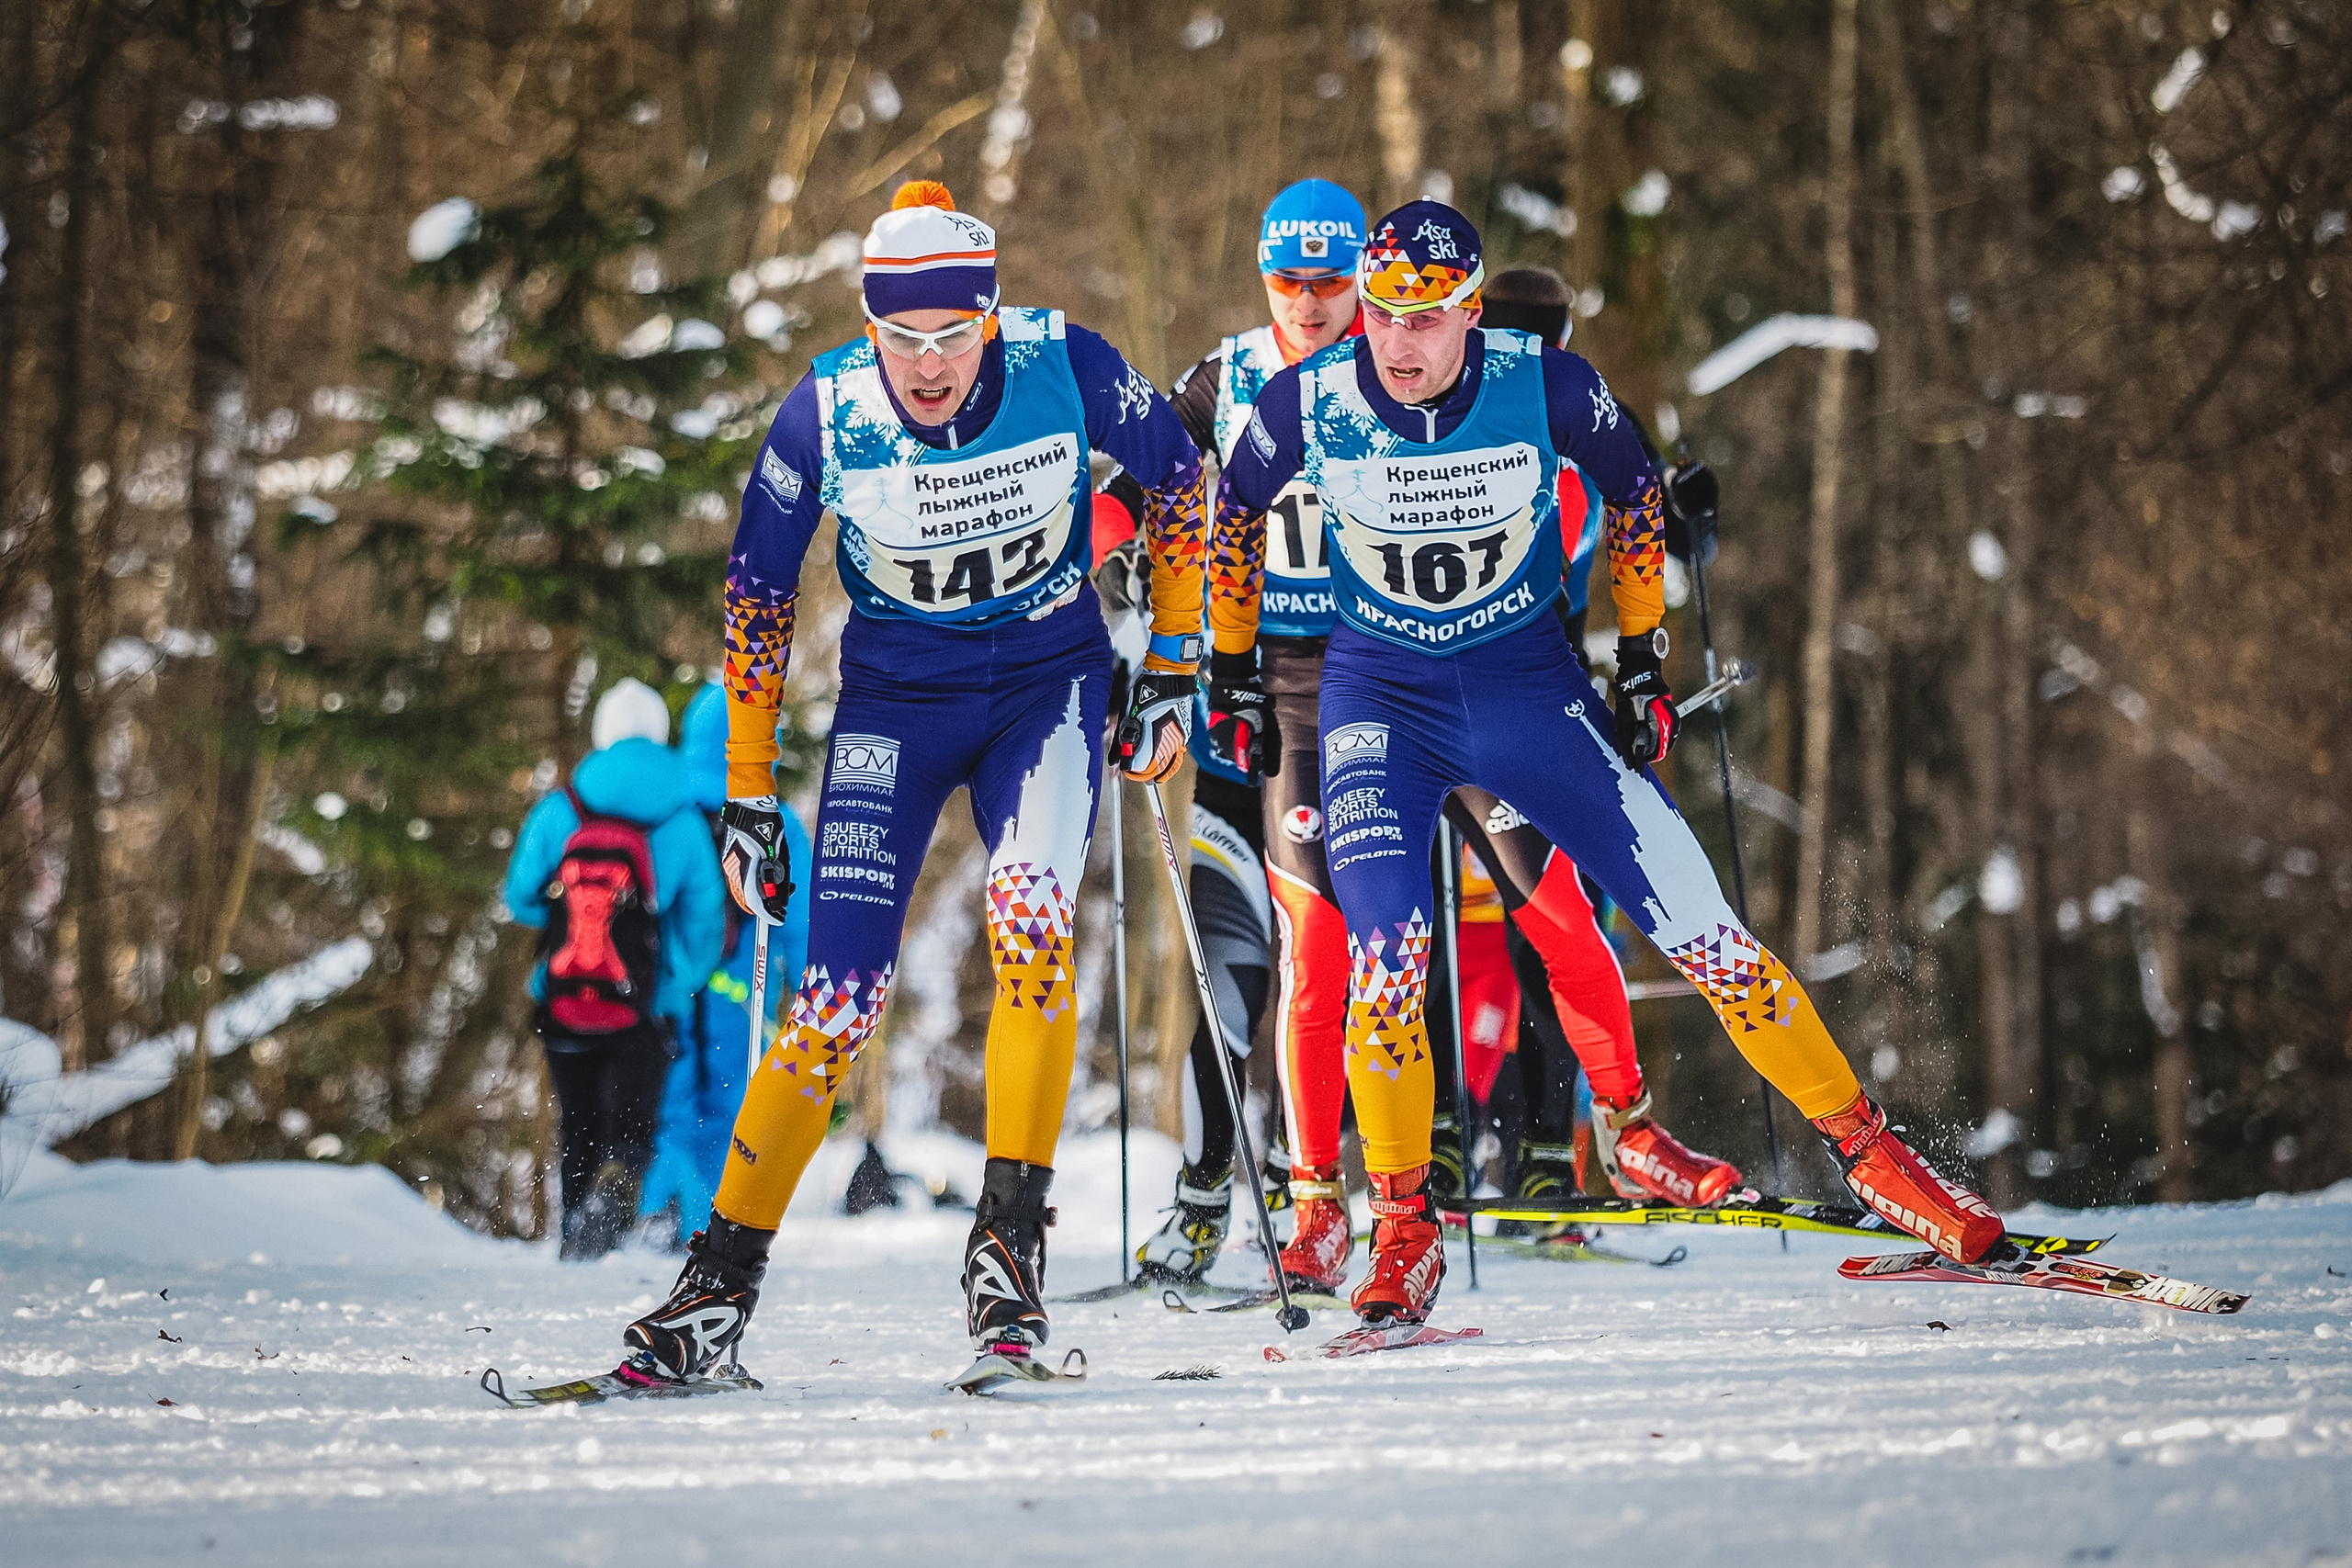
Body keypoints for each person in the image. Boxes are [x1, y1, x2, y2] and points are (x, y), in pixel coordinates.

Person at [1207, 201, 2004, 1327]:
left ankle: (1874, 1159)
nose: (1398, 341)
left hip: (1527, 698)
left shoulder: (1545, 383)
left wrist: (1640, 660)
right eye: (1383, 313)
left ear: (1469, 312)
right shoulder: (1311, 395)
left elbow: (1634, 497)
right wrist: (1230, 669)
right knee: (1386, 959)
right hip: (1377, 706)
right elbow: (1233, 515)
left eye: (1426, 318)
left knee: (1701, 927)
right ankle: (1401, 1227)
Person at [617, 181, 1207, 1383]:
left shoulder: (1067, 364)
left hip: (1047, 690)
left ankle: (1008, 1253)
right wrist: (743, 785)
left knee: (1033, 923)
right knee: (833, 997)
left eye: (952, 334)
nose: (927, 365)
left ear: (990, 317)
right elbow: (756, 597)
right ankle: (713, 1289)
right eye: (902, 337)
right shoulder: (825, 410)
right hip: (894, 708)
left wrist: (1176, 661)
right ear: (870, 327)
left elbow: (1187, 482)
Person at [1129, 178, 1366, 1286]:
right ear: (1261, 276)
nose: (1311, 305)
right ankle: (1202, 1199)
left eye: (1332, 282)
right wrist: (1098, 550)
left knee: (1351, 958)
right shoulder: (1223, 378)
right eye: (1290, 282)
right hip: (1244, 694)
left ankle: (1332, 1190)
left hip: (1370, 691)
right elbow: (1142, 482)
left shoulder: (1405, 364)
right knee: (1232, 963)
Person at [503, 677, 726, 1261]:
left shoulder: (563, 808)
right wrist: (668, 985)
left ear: (601, 732)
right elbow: (703, 928)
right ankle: (619, 1187)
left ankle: (575, 1232)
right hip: (642, 1007)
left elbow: (520, 896)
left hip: (565, 995)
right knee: (633, 1124)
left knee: (576, 1121)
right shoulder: (680, 821)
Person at [637, 681, 810, 1250]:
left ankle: (656, 1210)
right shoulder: (777, 820)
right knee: (730, 1110)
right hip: (742, 990)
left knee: (671, 1102)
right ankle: (712, 1227)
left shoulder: (667, 808)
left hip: (670, 979)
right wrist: (804, 993)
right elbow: (801, 920)